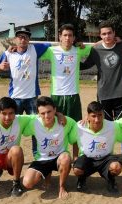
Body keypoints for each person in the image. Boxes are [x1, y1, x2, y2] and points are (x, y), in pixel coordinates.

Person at [80, 20, 122, 159]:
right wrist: (69, 62)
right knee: (104, 127)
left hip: (121, 93)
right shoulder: (95, 50)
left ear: (114, 33)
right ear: (100, 36)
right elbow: (85, 65)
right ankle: (106, 154)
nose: (107, 36)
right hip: (103, 94)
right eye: (104, 34)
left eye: (109, 33)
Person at [0, 27, 51, 157]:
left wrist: (76, 43)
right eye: (20, 37)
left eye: (26, 37)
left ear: (29, 39)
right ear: (15, 39)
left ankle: (37, 155)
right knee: (11, 128)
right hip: (15, 99)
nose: (23, 39)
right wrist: (0, 67)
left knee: (37, 127)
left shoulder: (35, 49)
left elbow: (54, 44)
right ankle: (9, 155)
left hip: (32, 98)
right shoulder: (8, 54)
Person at [40, 23, 92, 158]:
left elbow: (98, 46)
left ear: (74, 38)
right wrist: (14, 48)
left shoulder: (78, 50)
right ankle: (57, 156)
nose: (67, 38)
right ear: (60, 37)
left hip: (73, 96)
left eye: (70, 36)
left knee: (76, 128)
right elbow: (33, 52)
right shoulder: (51, 51)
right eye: (65, 35)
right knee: (56, 128)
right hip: (56, 96)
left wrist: (114, 40)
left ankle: (76, 158)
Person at [22, 96, 76, 199]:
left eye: (49, 112)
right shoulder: (34, 123)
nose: (46, 116)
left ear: (55, 110)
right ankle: (47, 176)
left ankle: (62, 187)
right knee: (27, 183)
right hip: (42, 159)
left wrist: (76, 156)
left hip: (59, 158)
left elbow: (78, 126)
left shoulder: (65, 122)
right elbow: (21, 125)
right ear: (38, 113)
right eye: (42, 113)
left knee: (66, 158)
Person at [71, 101, 122, 193]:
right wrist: (75, 156)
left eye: (100, 115)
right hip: (87, 158)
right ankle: (82, 179)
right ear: (87, 116)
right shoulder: (79, 126)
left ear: (103, 114)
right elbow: (73, 140)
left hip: (106, 159)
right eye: (93, 116)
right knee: (77, 169)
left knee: (116, 167)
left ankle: (111, 180)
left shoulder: (113, 126)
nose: (97, 119)